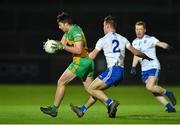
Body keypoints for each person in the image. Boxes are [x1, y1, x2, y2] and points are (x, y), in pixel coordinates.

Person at [70, 15, 153, 118]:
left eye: (104, 25)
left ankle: (110, 103)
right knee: (96, 91)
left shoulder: (103, 40)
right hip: (120, 72)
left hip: (113, 70)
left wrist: (81, 55)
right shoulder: (123, 38)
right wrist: (146, 56)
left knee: (91, 88)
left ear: (108, 25)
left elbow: (92, 56)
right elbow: (135, 52)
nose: (103, 28)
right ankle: (82, 110)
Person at [40, 11, 95, 117]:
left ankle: (54, 110)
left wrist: (62, 47)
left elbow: (78, 50)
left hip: (81, 61)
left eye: (60, 25)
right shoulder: (68, 32)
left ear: (65, 23)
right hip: (86, 61)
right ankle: (109, 103)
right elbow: (61, 44)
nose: (59, 27)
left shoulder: (75, 31)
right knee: (93, 90)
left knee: (61, 82)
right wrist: (51, 44)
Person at [130, 21, 176, 112]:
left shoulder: (150, 39)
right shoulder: (134, 42)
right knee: (153, 89)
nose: (138, 31)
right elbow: (136, 55)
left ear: (144, 30)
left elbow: (159, 43)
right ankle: (169, 107)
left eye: (140, 29)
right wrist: (133, 67)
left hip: (153, 66)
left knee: (150, 86)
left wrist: (167, 46)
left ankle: (169, 93)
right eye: (136, 29)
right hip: (144, 70)